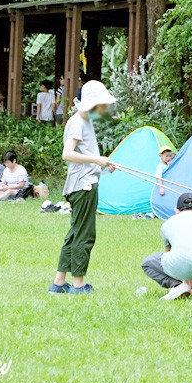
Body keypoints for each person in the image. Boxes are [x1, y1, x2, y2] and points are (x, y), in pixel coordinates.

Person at [49, 80, 117, 295]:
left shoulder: (85, 121)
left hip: (83, 182)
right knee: (85, 235)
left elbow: (85, 153)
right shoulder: (78, 121)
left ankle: (59, 283)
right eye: (103, 105)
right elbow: (67, 153)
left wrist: (103, 164)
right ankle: (78, 285)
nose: (105, 109)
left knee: (75, 232)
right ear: (93, 104)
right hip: (83, 186)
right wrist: (97, 161)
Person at [141, 193, 192, 300]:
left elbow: (169, 252)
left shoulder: (167, 224)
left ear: (176, 210)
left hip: (181, 264)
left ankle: (177, 284)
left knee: (148, 263)